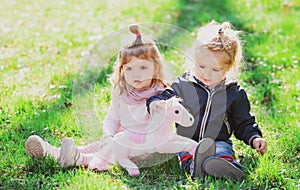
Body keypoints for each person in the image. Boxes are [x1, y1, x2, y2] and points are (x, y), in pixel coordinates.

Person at [25, 24, 197, 175]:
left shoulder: (161, 94)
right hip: (123, 139)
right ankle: (54, 152)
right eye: (129, 68)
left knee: (109, 149)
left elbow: (162, 128)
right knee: (99, 145)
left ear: (155, 68)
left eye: (143, 67)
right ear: (121, 70)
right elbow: (112, 118)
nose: (135, 74)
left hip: (146, 148)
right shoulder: (122, 91)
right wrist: (108, 134)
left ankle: (77, 159)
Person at [146, 21, 268, 182]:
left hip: (217, 140)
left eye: (215, 70)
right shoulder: (185, 85)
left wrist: (254, 137)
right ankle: (194, 165)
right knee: (186, 151)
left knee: (221, 150)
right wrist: (155, 103)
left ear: (228, 68)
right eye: (201, 66)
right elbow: (166, 95)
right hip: (187, 140)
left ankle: (225, 166)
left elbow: (243, 121)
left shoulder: (233, 93)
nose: (207, 74)